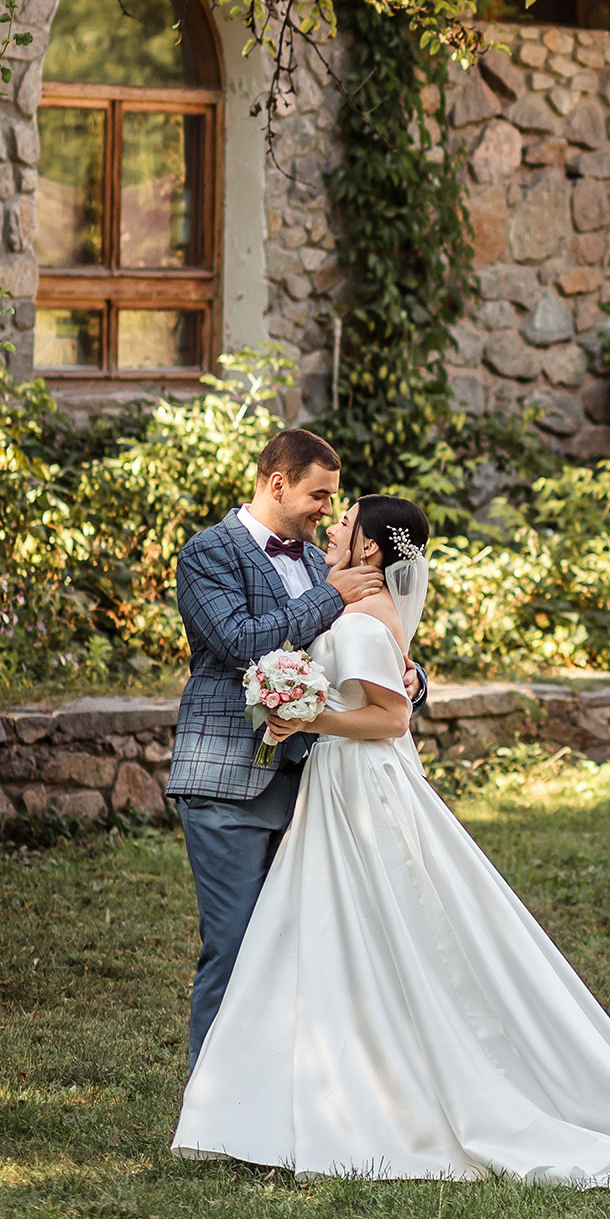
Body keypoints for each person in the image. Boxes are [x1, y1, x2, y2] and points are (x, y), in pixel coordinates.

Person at [173, 492, 610, 1190]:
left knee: (371, 929)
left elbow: (388, 719)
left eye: (345, 521)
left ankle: (359, 1100)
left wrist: (309, 715)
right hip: (339, 786)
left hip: (362, 782)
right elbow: (375, 676)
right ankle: (298, 1098)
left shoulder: (361, 616)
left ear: (373, 551)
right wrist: (312, 704)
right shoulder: (354, 607)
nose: (332, 526)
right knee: (331, 932)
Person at [168, 426, 423, 1065]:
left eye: (334, 500)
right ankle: (210, 1102)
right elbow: (239, 642)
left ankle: (285, 1096)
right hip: (227, 781)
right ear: (277, 483)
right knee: (233, 945)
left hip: (316, 789)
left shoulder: (317, 561)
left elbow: (363, 652)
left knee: (297, 948)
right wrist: (330, 596)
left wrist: (411, 684)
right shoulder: (207, 553)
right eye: (318, 495)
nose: (327, 511)